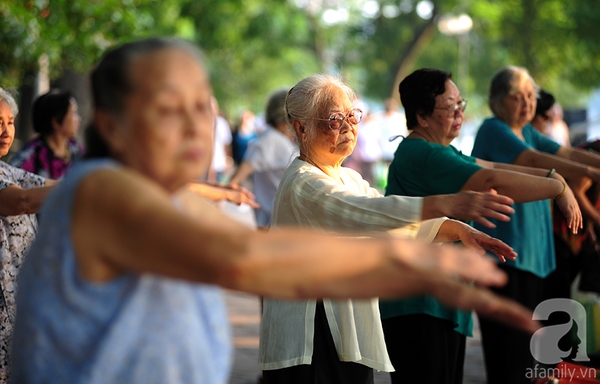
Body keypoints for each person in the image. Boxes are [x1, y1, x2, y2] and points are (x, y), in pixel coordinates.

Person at [11, 39, 538, 384]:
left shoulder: (157, 196)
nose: (196, 124)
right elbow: (247, 258)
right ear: (112, 122)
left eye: (203, 105)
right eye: (170, 107)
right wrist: (423, 257)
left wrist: (448, 232)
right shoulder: (102, 192)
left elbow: (362, 219)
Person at [258, 74, 523, 384]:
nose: (348, 126)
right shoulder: (303, 181)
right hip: (310, 339)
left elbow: (392, 223)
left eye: (351, 116)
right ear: (302, 128)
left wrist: (459, 230)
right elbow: (366, 213)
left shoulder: (347, 178)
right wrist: (444, 205)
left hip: (344, 330)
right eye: (333, 119)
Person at [382, 68, 582, 384]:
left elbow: (490, 167)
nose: (460, 113)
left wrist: (555, 178)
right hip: (419, 302)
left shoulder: (441, 150)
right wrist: (557, 186)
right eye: (451, 108)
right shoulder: (423, 153)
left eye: (461, 104)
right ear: (422, 115)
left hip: (441, 301)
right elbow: (490, 179)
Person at [472, 65, 600, 384]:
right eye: (519, 96)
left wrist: (595, 166)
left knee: (528, 355)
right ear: (498, 100)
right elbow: (532, 160)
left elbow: (565, 152)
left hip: (532, 260)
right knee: (509, 356)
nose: (528, 103)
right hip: (504, 258)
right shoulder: (494, 129)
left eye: (531, 96)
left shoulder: (527, 131)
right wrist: (590, 176)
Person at [0, 87, 57, 384]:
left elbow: (52, 185)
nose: (6, 131)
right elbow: (23, 202)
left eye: (9, 122)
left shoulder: (7, 171)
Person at [228, 89, 297, 228]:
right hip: (272, 221)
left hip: (278, 221)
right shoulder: (269, 141)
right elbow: (236, 179)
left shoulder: (277, 139)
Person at [10, 89, 83, 179]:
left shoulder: (75, 149)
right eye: (73, 114)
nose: (78, 119)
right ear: (56, 121)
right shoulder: (31, 157)